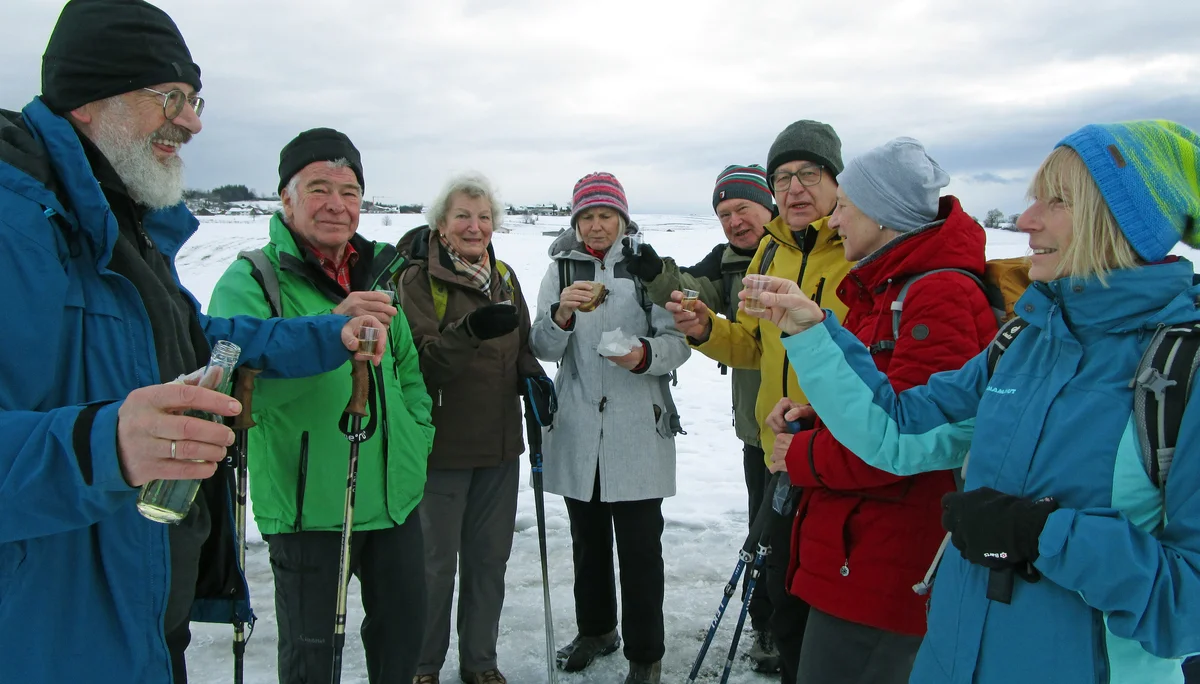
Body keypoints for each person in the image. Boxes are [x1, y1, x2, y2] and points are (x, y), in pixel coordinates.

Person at [0, 2, 387, 682]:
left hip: (145, 607)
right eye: (169, 97)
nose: (192, 122)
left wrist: (331, 333)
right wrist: (103, 444)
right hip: (50, 631)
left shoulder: (120, 225)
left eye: (194, 100)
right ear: (88, 98)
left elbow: (199, 340)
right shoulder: (17, 220)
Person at [748, 120, 1200, 684]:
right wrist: (811, 331)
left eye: (1057, 201)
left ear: (1122, 221)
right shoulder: (1024, 342)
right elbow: (897, 433)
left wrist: (1044, 536)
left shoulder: (1181, 371)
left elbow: (1188, 607)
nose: (1026, 220)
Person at [762, 138, 997, 683]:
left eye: (844, 206)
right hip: (860, 552)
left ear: (883, 213)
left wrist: (803, 455)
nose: (834, 219)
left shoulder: (937, 295)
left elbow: (914, 441)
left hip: (889, 566)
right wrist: (816, 417)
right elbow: (882, 399)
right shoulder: (885, 289)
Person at [208, 128, 434, 684]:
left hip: (395, 499)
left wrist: (416, 434)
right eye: (319, 188)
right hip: (307, 505)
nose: (337, 203)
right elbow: (232, 377)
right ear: (286, 199)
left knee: (403, 647)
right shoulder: (253, 279)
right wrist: (330, 327)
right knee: (312, 661)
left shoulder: (379, 273)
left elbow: (407, 370)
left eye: (349, 191)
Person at [668, 120, 855, 684]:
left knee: (830, 600)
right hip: (777, 451)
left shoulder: (858, 246)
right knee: (782, 587)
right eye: (783, 178)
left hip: (845, 449)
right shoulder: (769, 252)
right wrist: (706, 329)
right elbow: (753, 345)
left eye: (808, 174)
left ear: (835, 180)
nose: (794, 188)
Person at [529, 172, 691, 684]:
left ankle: (646, 654)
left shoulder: (649, 268)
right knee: (588, 540)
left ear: (622, 219)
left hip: (638, 427)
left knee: (641, 549)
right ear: (575, 221)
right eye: (587, 217)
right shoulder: (560, 269)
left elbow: (679, 342)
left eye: (606, 216)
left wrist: (643, 355)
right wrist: (561, 315)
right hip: (579, 427)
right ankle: (597, 630)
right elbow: (543, 347)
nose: (596, 226)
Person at [624, 164, 780, 671]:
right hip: (760, 425)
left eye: (742, 209)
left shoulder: (807, 250)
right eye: (724, 213)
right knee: (764, 531)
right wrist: (654, 272)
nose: (734, 221)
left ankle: (812, 631)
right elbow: (689, 291)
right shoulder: (727, 262)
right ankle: (767, 625)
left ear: (768, 205)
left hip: (825, 423)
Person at [393, 172, 545, 684]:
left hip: (500, 448)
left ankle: (480, 662)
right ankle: (423, 666)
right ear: (441, 224)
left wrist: (532, 376)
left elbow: (520, 344)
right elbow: (422, 364)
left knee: (488, 562)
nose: (474, 226)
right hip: (441, 448)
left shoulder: (503, 276)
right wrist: (470, 331)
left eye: (483, 217)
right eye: (462, 216)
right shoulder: (418, 281)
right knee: (434, 566)